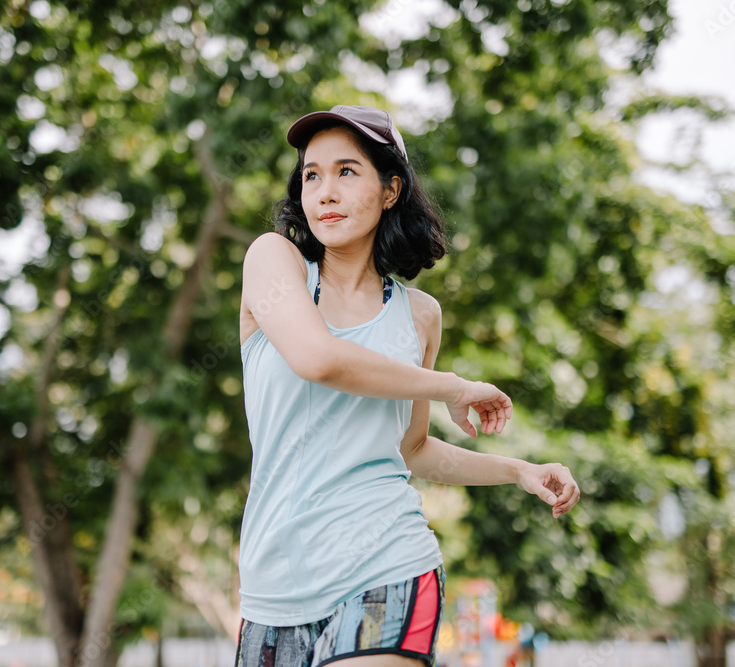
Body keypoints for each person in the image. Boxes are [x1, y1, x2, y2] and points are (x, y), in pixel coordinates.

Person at [236, 104, 580, 667]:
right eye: (311, 175)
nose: (325, 192)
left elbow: (412, 449)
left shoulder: (420, 316)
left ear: (391, 190)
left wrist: (518, 470)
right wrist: (451, 386)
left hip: (387, 564)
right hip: (273, 589)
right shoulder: (274, 262)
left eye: (347, 171)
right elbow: (318, 358)